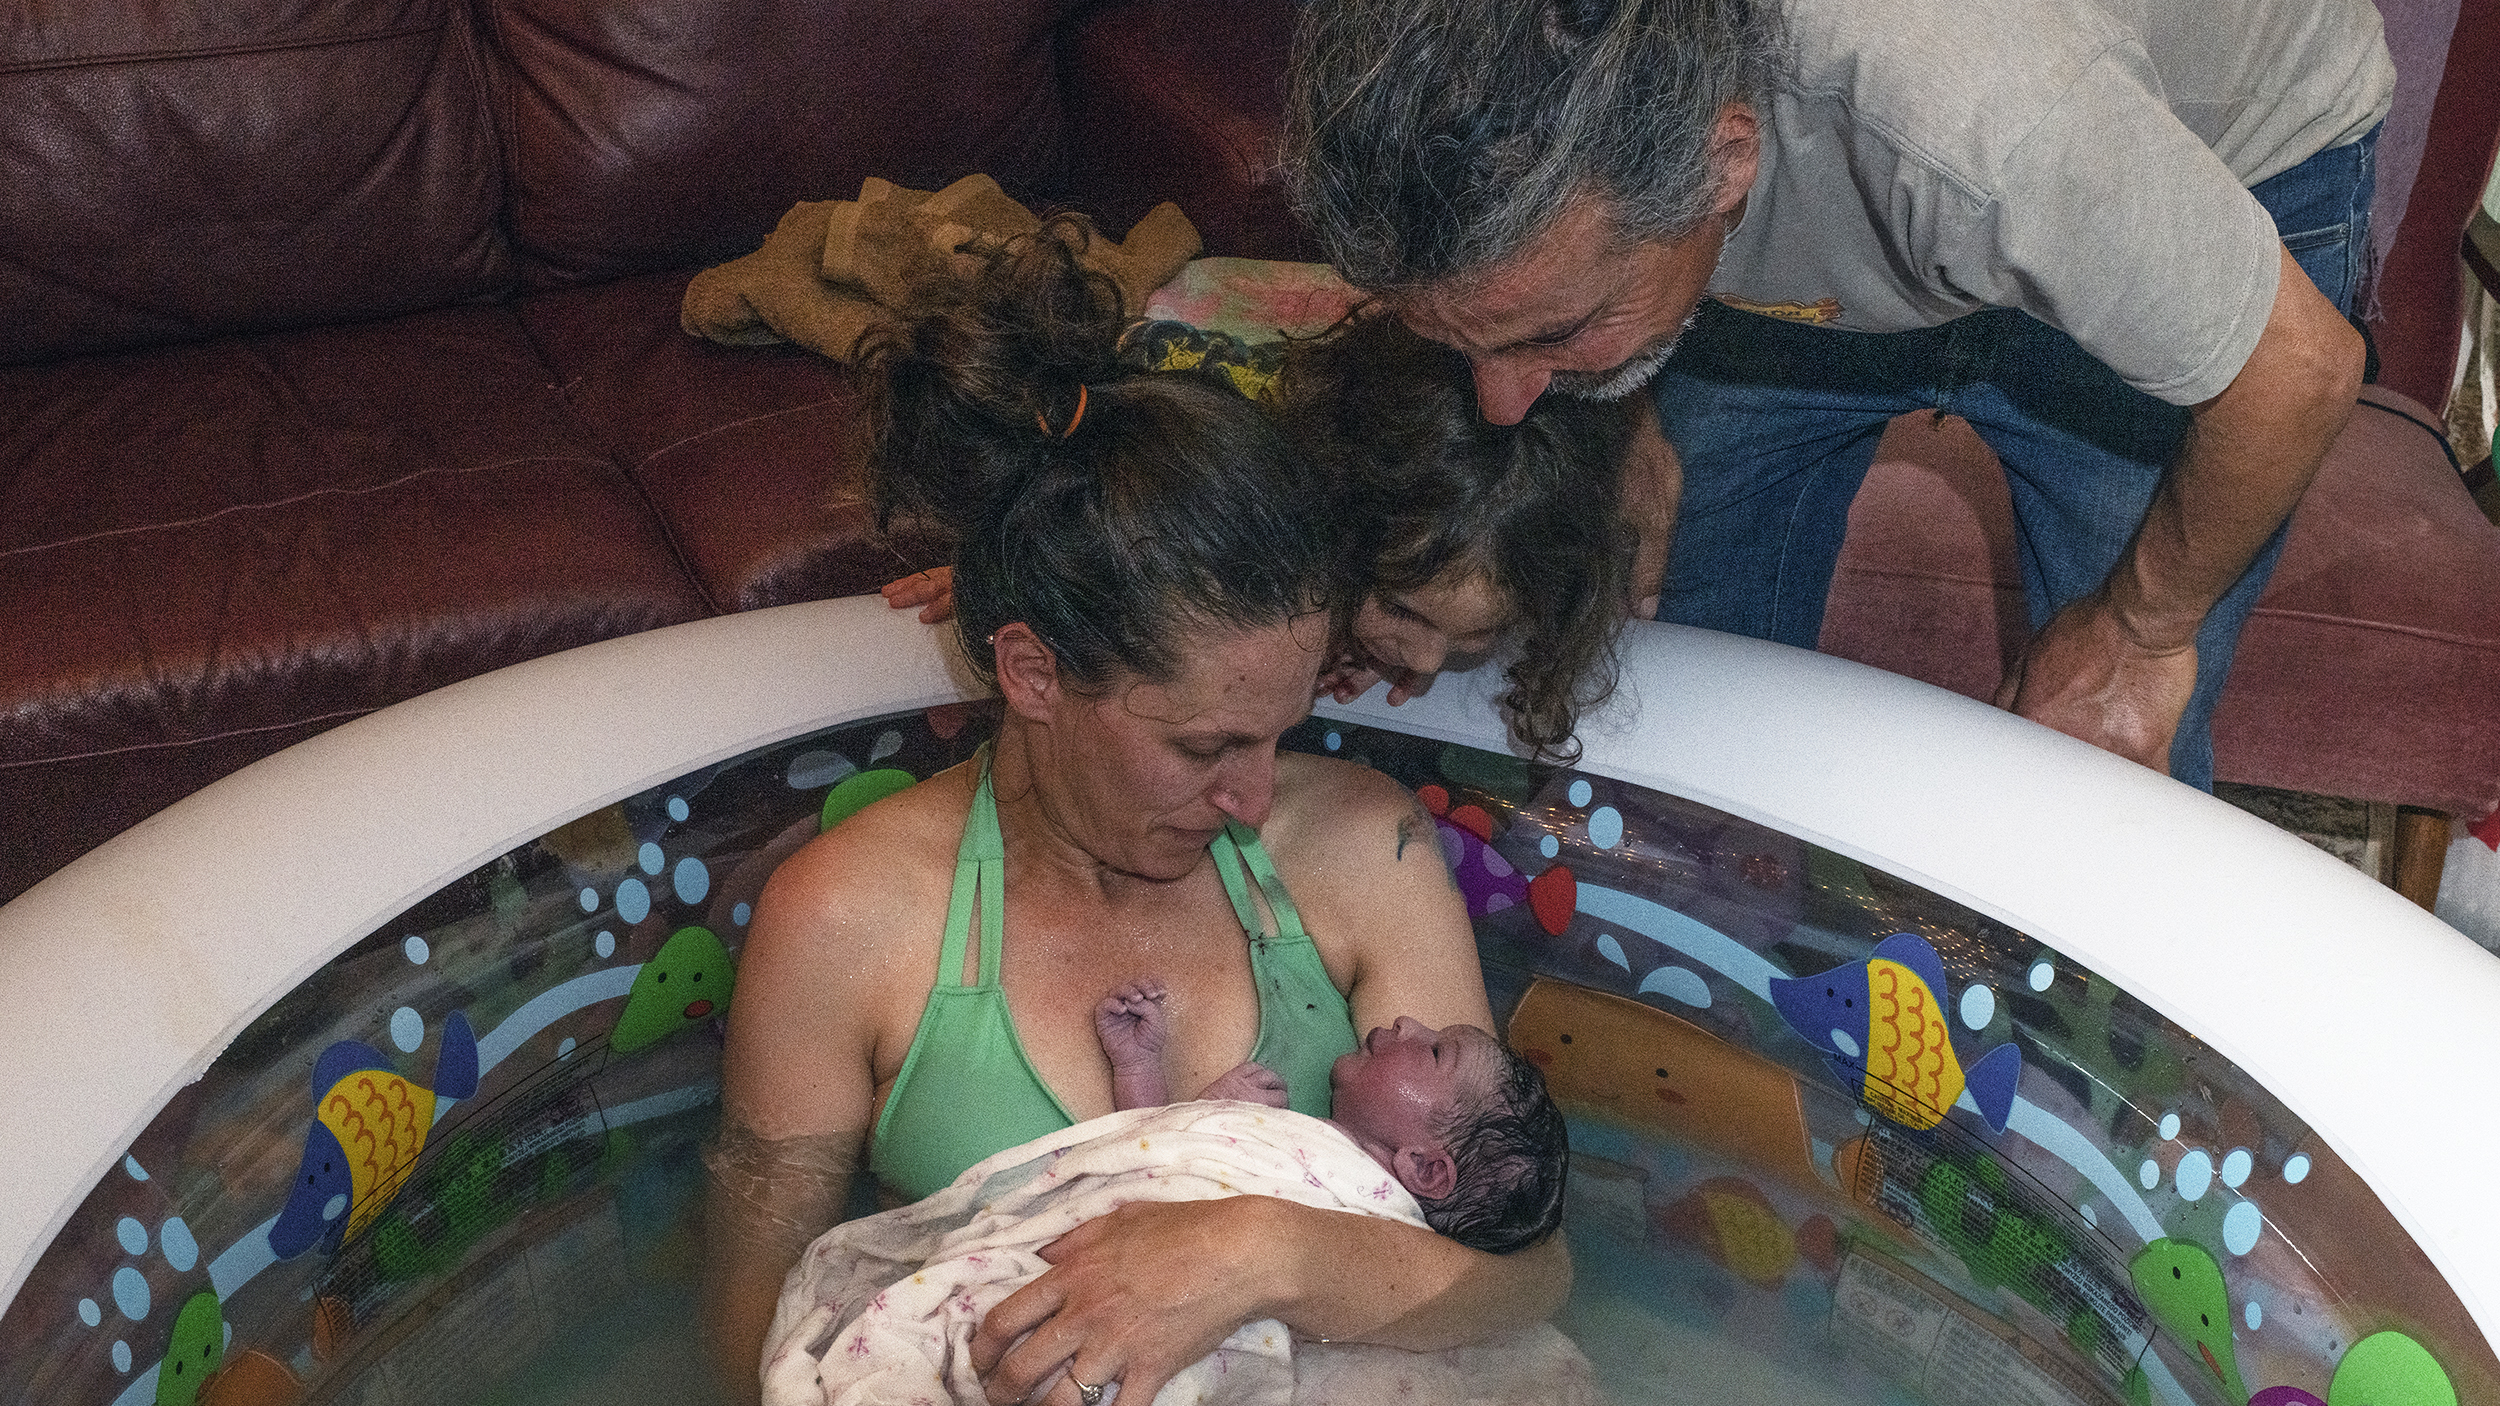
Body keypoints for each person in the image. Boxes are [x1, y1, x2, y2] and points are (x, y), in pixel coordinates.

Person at [708, 216, 1567, 1406]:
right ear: (1032, 673)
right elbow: (760, 1325)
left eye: (1281, 730)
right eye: (1203, 745)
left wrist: (1250, 1254)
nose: (1252, 797)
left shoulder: (1361, 850)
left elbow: (1526, 1276)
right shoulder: (848, 922)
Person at [1281, 0, 2394, 790]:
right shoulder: (1546, 133)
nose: (1506, 406)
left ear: (1723, 164)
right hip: (1845, 157)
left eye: (1555, 334)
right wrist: (1613, 392)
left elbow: (2296, 374)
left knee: (2105, 752)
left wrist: (2141, 630)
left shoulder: (1982, 114)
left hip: (2201, 151)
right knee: (1675, 656)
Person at [888, 310, 1641, 760]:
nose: (1425, 661)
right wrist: (1030, 570)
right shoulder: (1235, 491)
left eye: (1476, 637)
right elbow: (1073, 495)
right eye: (1406, 614)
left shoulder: (1414, 576)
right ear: (1328, 533)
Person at [1095, 982, 1568, 1255]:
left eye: (1437, 1050)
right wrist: (1140, 1067)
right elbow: (1151, 1176)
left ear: (1425, 1168)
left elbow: (1150, 1174)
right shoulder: (1309, 1157)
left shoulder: (1356, 1237)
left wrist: (1213, 1113)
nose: (1407, 1022)